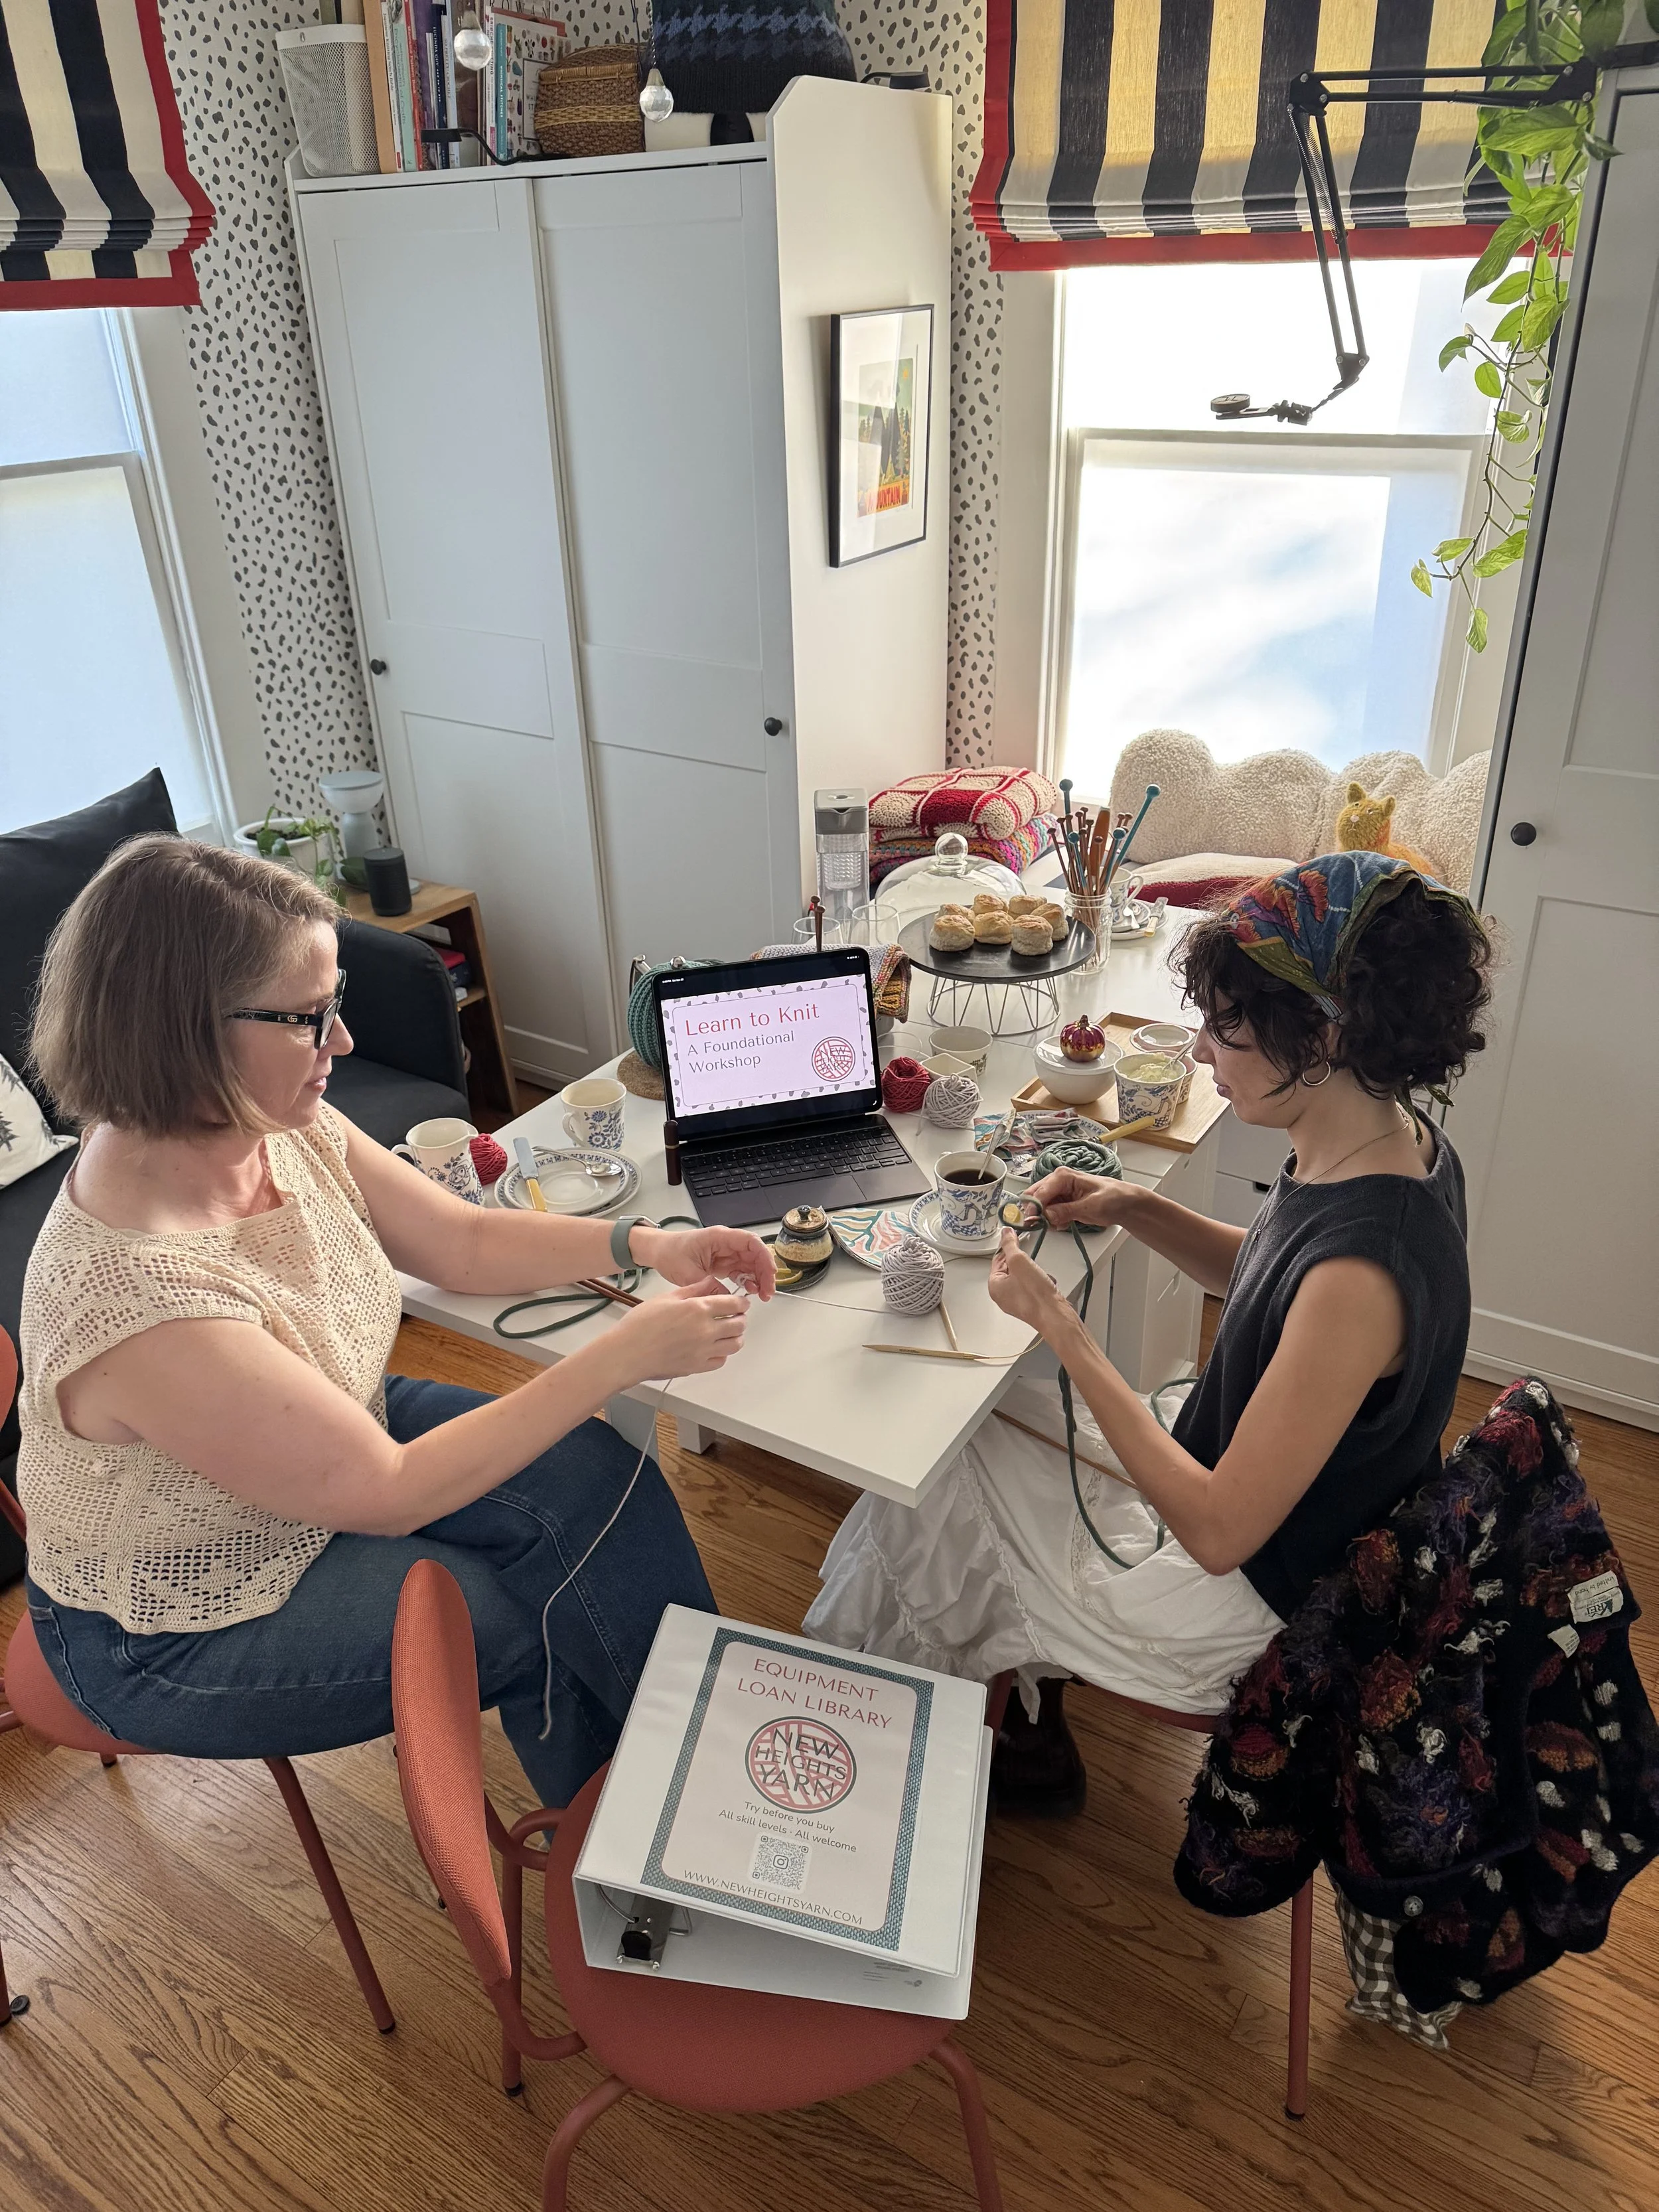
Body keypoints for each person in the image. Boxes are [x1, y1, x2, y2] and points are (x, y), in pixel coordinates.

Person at [17, 836, 775, 1808]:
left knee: (603, 1482)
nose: (340, 1043)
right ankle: (666, 1840)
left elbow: (458, 1243)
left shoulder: (260, 1117)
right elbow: (388, 1494)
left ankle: (690, 1789)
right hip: (172, 1618)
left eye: (333, 1007)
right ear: (184, 1030)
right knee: (528, 1607)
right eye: (307, 1018)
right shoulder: (142, 1297)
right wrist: (621, 1357)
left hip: (332, 1440)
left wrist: (642, 1246)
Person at [806, 852, 1493, 1814]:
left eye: (1227, 1028)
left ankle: (852, 1768)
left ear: (1325, 1034)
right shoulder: (1393, 1141)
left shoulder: (1361, 1272)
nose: (1205, 1054)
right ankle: (991, 1727)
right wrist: (1131, 1205)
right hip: (1258, 1505)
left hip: (1239, 1606)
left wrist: (1062, 1329)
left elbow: (1217, 1531)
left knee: (924, 1481)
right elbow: (1265, 1280)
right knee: (959, 1442)